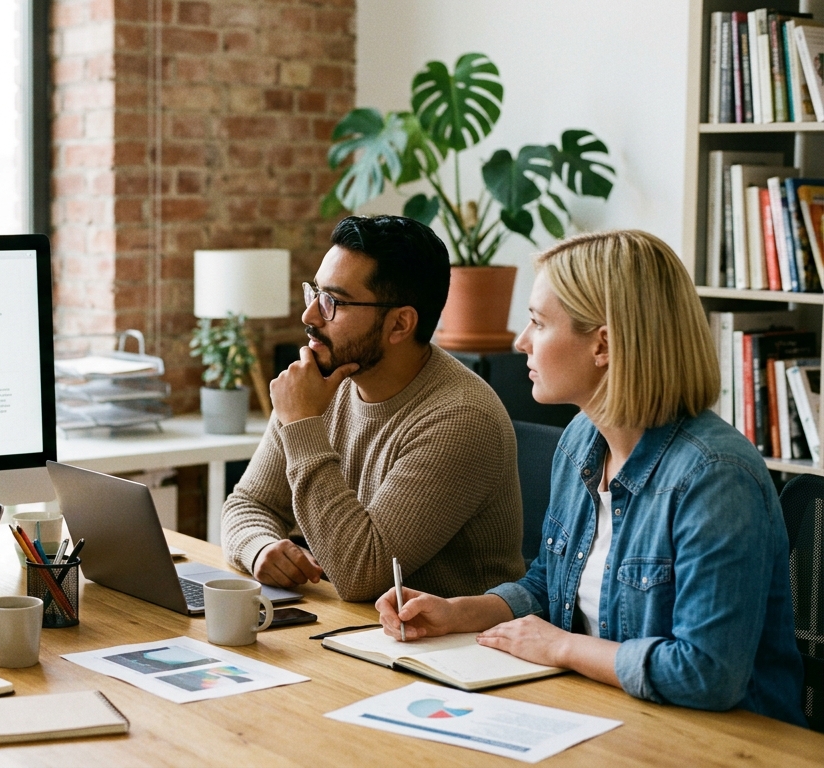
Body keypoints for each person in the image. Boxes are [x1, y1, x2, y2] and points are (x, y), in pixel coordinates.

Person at [376, 230, 807, 725]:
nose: (521, 343)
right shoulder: (582, 439)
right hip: (606, 716)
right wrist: (460, 612)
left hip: (725, 743)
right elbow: (550, 584)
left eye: (537, 323)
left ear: (602, 344)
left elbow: (706, 673)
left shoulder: (716, 478)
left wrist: (562, 647)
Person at [221, 215, 525, 602]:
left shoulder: (461, 417)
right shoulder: (321, 383)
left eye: (333, 302)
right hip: (356, 630)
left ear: (400, 324)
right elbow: (248, 503)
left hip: (451, 649)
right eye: (313, 293)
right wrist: (260, 548)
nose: (310, 316)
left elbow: (361, 574)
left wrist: (302, 423)